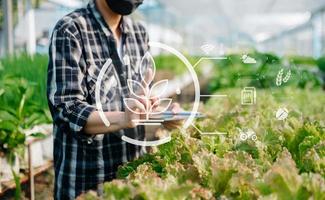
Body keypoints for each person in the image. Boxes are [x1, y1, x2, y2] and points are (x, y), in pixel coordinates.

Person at [47, 0, 181, 199]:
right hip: (87, 184)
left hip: (133, 182)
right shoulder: (72, 29)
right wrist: (121, 119)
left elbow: (138, 100)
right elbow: (66, 109)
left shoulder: (139, 34)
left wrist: (162, 112)